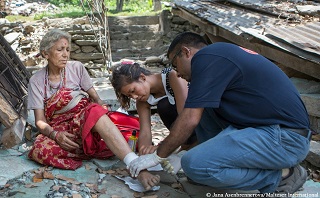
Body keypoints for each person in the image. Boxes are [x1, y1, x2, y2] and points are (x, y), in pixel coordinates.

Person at [127, 32, 311, 194]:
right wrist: (178, 152)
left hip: (286, 139)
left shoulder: (207, 57)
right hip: (270, 131)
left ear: (186, 52)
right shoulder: (218, 56)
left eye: (176, 65)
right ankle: (208, 163)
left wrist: (158, 155)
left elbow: (190, 119)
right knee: (203, 108)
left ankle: (282, 177)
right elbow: (195, 115)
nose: (178, 73)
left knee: (194, 165)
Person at [27, 29, 159, 190]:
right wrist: (56, 135)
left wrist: (102, 110)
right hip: (60, 128)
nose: (65, 54)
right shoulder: (36, 80)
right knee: (41, 149)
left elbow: (96, 99)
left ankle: (135, 166)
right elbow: (40, 121)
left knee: (95, 111)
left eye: (67, 49)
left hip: (84, 118)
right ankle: (92, 143)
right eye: (60, 50)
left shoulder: (76, 68)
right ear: (46, 54)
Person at [111, 62, 197, 155]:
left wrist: (163, 147)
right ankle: (187, 145)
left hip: (199, 121)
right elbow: (145, 132)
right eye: (129, 95)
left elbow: (185, 118)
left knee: (165, 105)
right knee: (163, 106)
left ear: (142, 77)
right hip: (185, 132)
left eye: (133, 90)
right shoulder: (142, 101)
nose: (134, 96)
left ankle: (193, 144)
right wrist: (144, 152)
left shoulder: (172, 76)